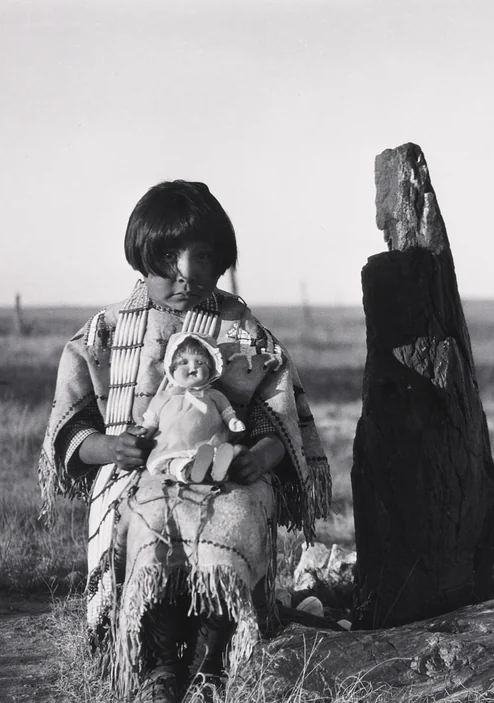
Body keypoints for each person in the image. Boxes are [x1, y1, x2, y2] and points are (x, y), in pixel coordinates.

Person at [37, 180, 331, 702]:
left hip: (227, 473)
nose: (186, 273)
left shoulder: (244, 333)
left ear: (222, 261)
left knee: (232, 520)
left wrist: (258, 457)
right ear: (141, 257)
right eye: (169, 257)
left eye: (204, 257)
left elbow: (277, 420)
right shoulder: (105, 333)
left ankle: (217, 658)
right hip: (136, 473)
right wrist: (111, 449)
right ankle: (158, 662)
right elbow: (70, 426)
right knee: (149, 522)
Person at [142, 331, 246, 484]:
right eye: (184, 362)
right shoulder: (164, 397)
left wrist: (233, 421)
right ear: (171, 368)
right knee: (173, 462)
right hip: (171, 445)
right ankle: (187, 470)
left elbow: (227, 412)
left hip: (208, 443)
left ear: (211, 369)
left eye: (201, 363)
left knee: (213, 451)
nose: (193, 367)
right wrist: (143, 434)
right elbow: (151, 422)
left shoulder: (214, 395)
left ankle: (217, 467)